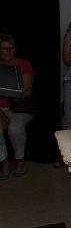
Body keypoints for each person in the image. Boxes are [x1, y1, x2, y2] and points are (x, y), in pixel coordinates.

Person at [0, 34, 34, 178]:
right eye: (4, 48)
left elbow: (27, 92)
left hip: (20, 108)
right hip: (1, 108)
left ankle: (20, 160)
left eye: (11, 48)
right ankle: (4, 163)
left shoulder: (23, 64)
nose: (8, 51)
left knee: (15, 128)